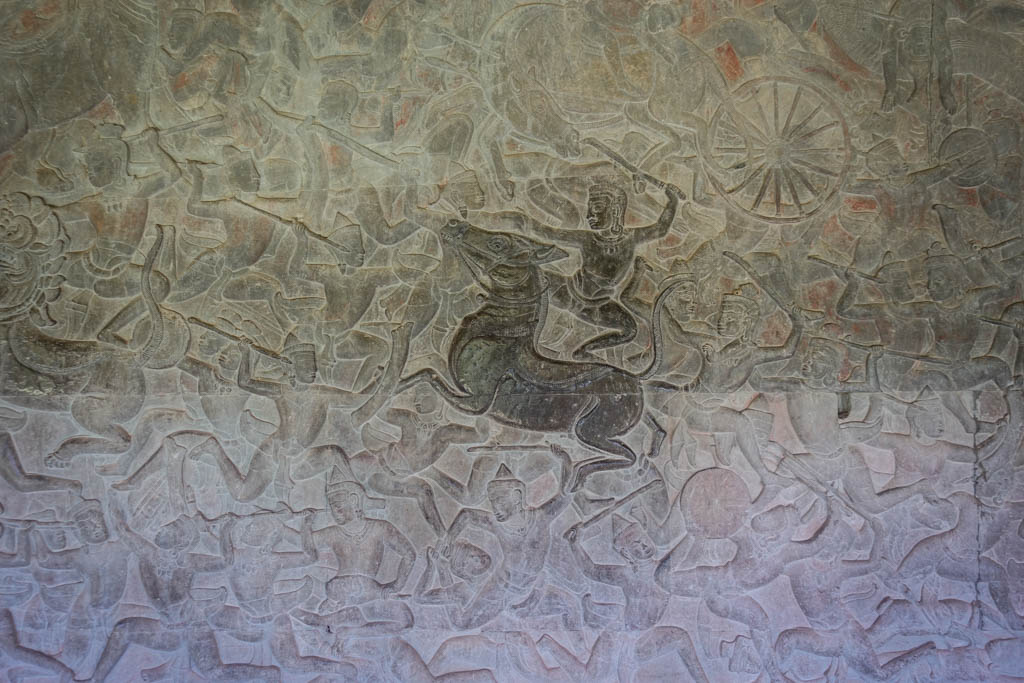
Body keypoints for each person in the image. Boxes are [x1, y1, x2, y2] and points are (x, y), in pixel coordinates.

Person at [485, 179, 684, 358]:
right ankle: (495, 315)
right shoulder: (587, 239)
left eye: (596, 208)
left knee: (629, 330)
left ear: (615, 210)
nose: (589, 215)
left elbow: (661, 228)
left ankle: (583, 352)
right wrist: (520, 221)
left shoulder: (631, 238)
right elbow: (549, 233)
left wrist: (672, 200)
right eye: (589, 209)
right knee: (526, 278)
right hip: (567, 292)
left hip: (597, 306)